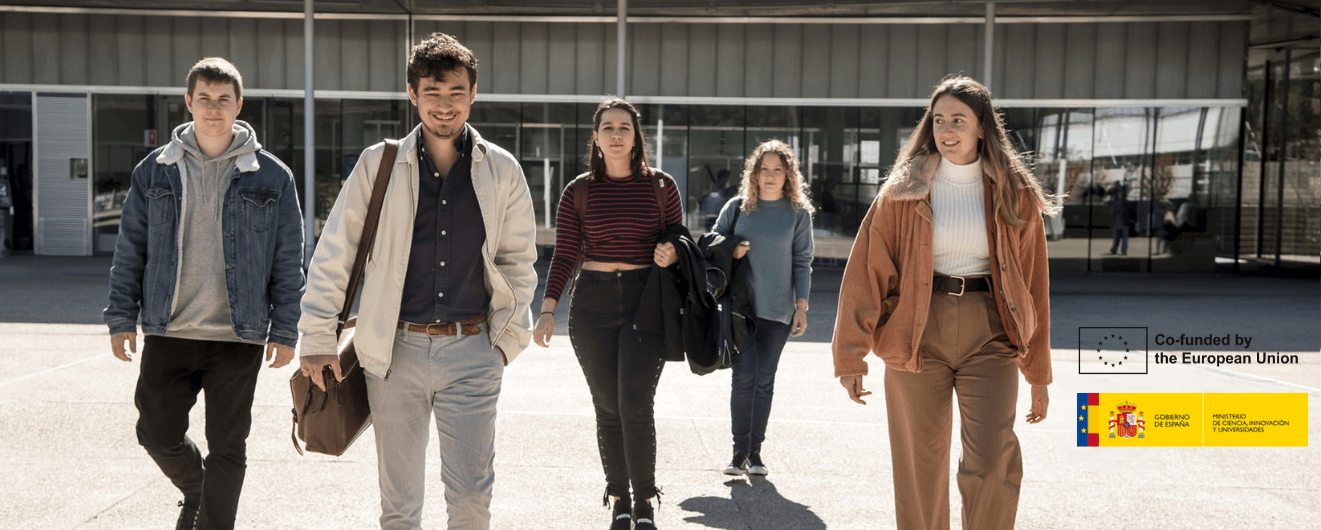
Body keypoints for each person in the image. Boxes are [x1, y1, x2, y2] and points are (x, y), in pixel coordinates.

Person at [298, 33, 538, 529]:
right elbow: (335, 253)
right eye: (432, 93)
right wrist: (317, 338)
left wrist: (503, 343)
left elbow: (518, 263)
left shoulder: (502, 171)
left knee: (471, 499)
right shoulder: (377, 164)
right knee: (400, 508)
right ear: (412, 94)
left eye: (455, 93)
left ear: (473, 93)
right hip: (393, 355)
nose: (444, 106)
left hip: (473, 352)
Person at [832, 75, 1055, 530]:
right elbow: (865, 272)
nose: (947, 129)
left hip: (991, 332)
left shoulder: (1015, 192)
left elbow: (1034, 284)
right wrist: (850, 357)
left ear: (982, 128)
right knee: (920, 468)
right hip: (917, 332)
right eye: (938, 120)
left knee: (993, 464)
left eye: (959, 119)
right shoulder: (903, 189)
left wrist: (1037, 373)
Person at [104, 57, 304, 530]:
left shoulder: (273, 177)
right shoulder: (154, 172)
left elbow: (287, 258)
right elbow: (130, 248)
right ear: (189, 101)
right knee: (155, 433)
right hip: (169, 329)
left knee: (228, 447)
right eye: (205, 99)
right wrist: (120, 317)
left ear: (239, 105)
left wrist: (287, 329)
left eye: (224, 100)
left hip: (239, 336)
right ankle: (199, 491)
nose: (214, 109)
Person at [532, 98, 682, 530]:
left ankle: (644, 502)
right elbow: (565, 254)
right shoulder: (578, 190)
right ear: (595, 138)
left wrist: (672, 249)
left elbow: (680, 234)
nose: (617, 134)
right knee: (607, 407)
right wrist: (547, 309)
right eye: (608, 127)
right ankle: (618, 496)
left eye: (625, 127)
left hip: (644, 303)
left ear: (636, 138)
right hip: (592, 305)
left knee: (635, 402)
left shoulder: (661, 186)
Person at [711, 139, 815, 477]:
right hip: (741, 309)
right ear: (754, 174)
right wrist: (732, 249)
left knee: (764, 380)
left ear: (788, 176)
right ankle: (738, 452)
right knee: (744, 377)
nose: (770, 177)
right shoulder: (737, 208)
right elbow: (711, 244)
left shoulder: (798, 214)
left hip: (780, 311)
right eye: (764, 170)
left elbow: (803, 261)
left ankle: (756, 453)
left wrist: (802, 306)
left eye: (777, 171)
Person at [1108, 175, 1131, 255]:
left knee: (1117, 237)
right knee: (1124, 238)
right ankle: (1123, 250)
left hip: (1118, 222)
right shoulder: (1125, 201)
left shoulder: (1115, 201)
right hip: (1124, 222)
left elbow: (1112, 211)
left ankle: (1115, 249)